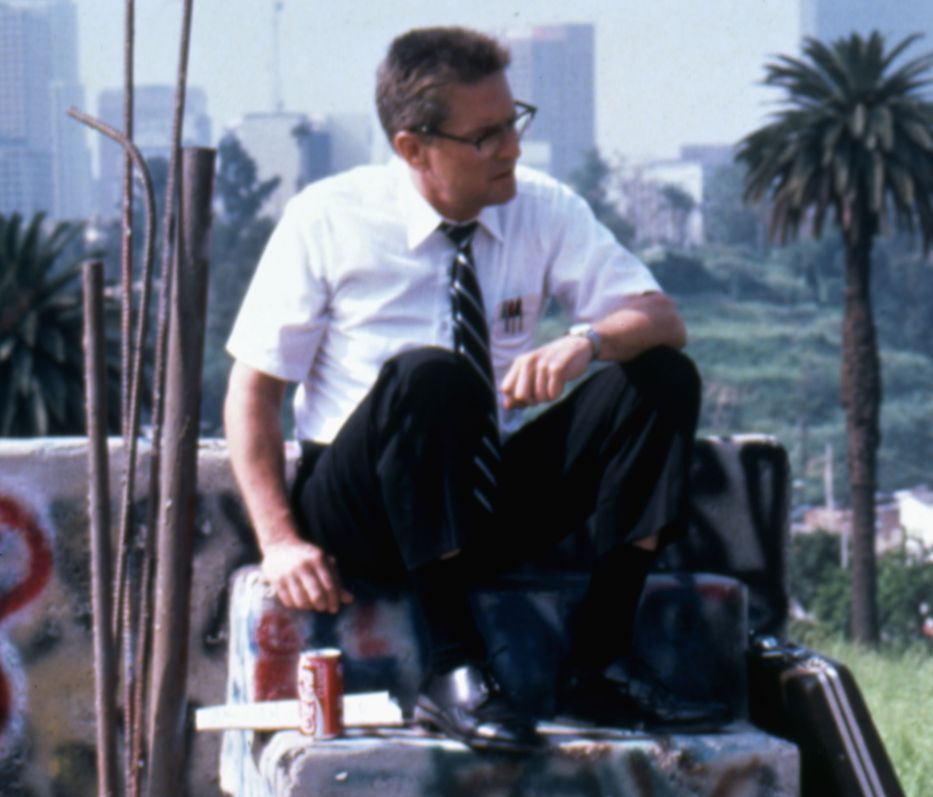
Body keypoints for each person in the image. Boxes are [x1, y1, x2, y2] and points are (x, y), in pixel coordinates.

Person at [226, 26, 713, 754]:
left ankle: (598, 664)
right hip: (362, 508)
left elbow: (662, 319)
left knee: (660, 378)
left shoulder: (541, 207)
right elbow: (252, 394)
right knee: (433, 376)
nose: (512, 149)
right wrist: (280, 542)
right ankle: (453, 670)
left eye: (513, 122)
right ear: (413, 148)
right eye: (485, 137)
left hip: (482, 494)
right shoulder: (327, 219)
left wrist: (585, 341)